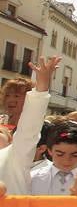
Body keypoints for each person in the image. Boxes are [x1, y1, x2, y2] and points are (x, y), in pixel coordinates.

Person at [0, 56, 59, 195]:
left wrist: (42, 85)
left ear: (11, 139)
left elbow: (29, 128)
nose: (11, 100)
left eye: (0, 132)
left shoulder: (15, 155)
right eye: (7, 95)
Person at [30, 119, 77, 195]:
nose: (66, 160)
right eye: (60, 154)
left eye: (75, 155)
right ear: (49, 151)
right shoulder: (33, 178)